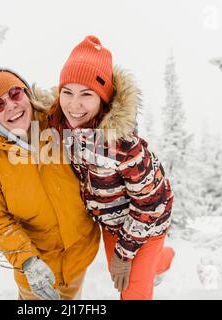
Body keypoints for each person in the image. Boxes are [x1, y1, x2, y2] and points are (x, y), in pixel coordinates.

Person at [48, 36, 175, 300]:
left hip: (147, 221)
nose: (74, 104)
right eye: (67, 92)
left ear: (103, 100)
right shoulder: (65, 128)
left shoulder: (124, 146)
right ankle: (159, 261)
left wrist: (124, 253)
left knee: (130, 291)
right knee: (117, 271)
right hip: (111, 223)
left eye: (86, 94)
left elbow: (150, 204)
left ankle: (157, 254)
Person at [0, 68, 100, 300]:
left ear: (27, 94)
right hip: (37, 270)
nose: (11, 106)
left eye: (15, 94)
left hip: (79, 255)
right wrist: (28, 261)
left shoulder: (59, 126)